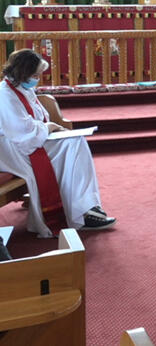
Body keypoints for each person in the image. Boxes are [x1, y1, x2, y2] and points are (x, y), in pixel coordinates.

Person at [0, 49, 116, 237]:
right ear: (21, 72)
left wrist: (49, 127)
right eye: (34, 75)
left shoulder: (22, 88)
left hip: (25, 143)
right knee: (72, 147)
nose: (37, 79)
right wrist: (50, 127)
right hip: (11, 152)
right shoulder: (5, 95)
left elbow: (36, 120)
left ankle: (86, 208)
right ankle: (82, 212)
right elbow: (22, 132)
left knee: (75, 142)